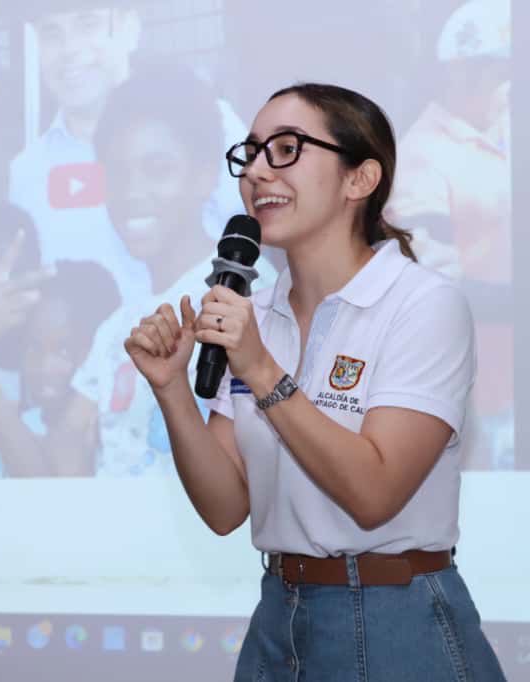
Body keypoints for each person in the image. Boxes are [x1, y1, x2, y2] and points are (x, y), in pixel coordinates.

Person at [124, 83, 504, 679]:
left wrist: (261, 371)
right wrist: (172, 389)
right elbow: (225, 508)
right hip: (280, 613)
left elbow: (374, 494)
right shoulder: (259, 313)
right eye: (250, 153)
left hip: (393, 617)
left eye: (286, 148)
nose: (257, 171)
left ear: (360, 179)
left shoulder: (421, 304)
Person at [45, 69, 275, 477]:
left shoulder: (251, 293)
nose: (132, 192)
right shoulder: (118, 326)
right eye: (118, 172)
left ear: (204, 174)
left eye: (158, 169)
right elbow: (66, 440)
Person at [9, 8, 246, 303]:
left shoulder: (207, 124)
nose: (69, 49)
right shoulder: (27, 171)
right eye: (51, 33)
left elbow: (259, 250)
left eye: (88, 23)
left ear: (130, 29)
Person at [387, 0, 512, 469]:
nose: (512, 85)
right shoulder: (423, 158)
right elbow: (440, 286)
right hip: (482, 398)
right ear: (462, 74)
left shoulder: (508, 131)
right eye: (502, 72)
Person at [0, 259, 118, 477]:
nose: (45, 367)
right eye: (33, 347)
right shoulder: (11, 428)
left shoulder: (119, 436)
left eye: (64, 350)